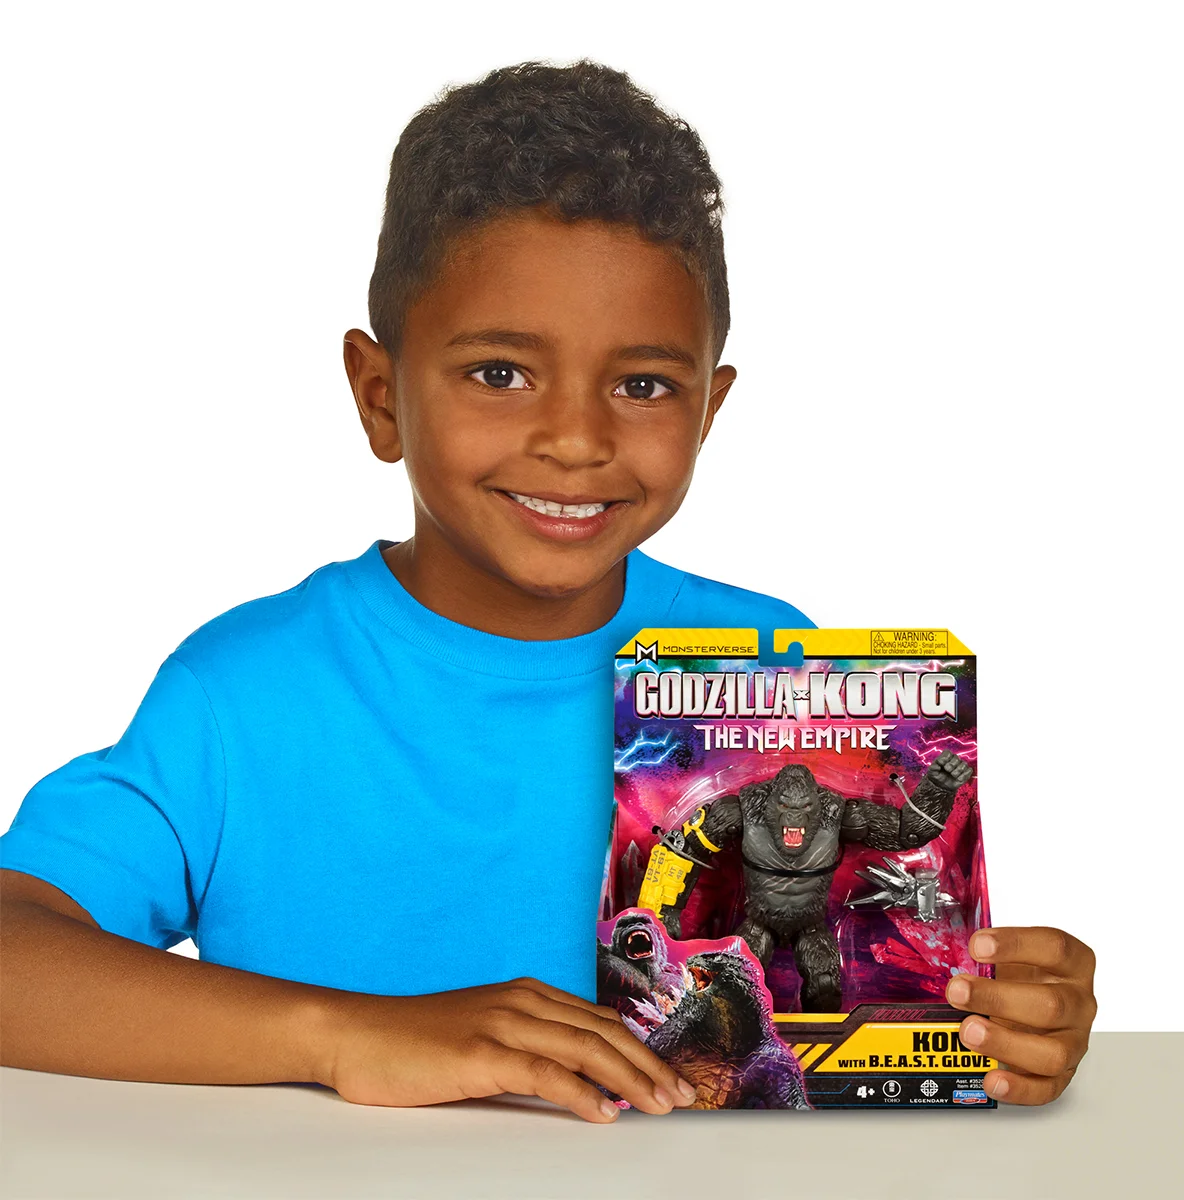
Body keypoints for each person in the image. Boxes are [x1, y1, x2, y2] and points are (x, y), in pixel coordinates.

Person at [0, 61, 1096, 1122]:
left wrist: (995, 1018)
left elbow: (856, 971)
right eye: (500, 373)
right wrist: (349, 1037)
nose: (576, 438)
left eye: (643, 384)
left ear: (708, 412)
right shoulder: (242, 696)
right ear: (380, 397)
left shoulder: (769, 673)